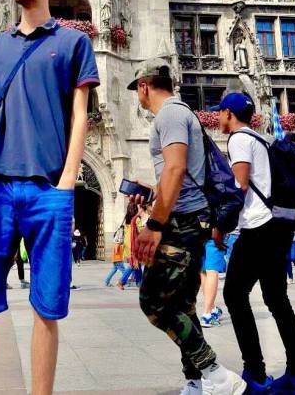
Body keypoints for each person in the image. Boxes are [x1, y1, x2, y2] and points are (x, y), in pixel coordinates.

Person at [0, 0, 99, 395]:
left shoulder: (74, 43)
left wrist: (67, 183)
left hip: (47, 189)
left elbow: (80, 116)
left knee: (46, 309)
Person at [127, 60, 246, 395]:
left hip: (184, 221)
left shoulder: (170, 115)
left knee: (154, 301)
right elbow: (177, 173)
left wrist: (154, 224)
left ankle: (216, 375)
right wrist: (153, 193)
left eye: (137, 90)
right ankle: (197, 381)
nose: (138, 96)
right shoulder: (179, 114)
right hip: (190, 216)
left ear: (144, 86)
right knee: (182, 305)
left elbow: (176, 169)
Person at [215, 92, 295, 394]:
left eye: (219, 112)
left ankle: (256, 374)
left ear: (229, 114)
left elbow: (240, 186)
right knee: (276, 300)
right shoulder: (260, 139)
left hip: (258, 228)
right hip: (277, 227)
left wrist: (221, 226)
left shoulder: (238, 139)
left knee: (234, 295)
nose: (217, 117)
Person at [117, 204, 147, 289]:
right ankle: (121, 281)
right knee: (134, 264)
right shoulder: (136, 219)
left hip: (127, 243)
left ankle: (139, 283)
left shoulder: (127, 219)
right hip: (134, 244)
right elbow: (141, 232)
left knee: (137, 264)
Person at [200, 231, 226, 328]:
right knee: (212, 271)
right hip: (215, 232)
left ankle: (212, 308)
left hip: (198, 232)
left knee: (203, 271)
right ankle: (207, 315)